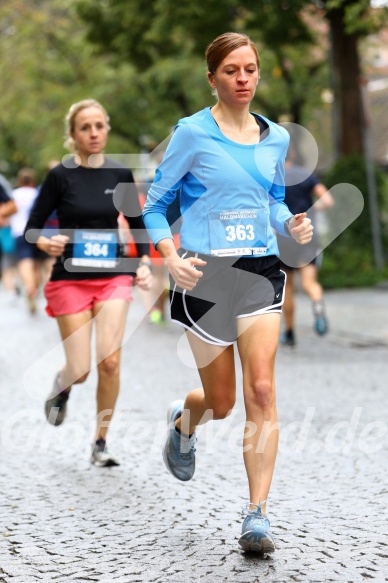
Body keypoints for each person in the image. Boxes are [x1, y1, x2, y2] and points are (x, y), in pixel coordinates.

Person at [143, 32, 313, 554]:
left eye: (251, 70)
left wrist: (292, 225)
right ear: (212, 76)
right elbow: (155, 204)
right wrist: (171, 258)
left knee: (261, 390)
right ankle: (183, 420)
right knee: (220, 401)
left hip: (261, 271)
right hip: (205, 277)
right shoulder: (191, 133)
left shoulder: (276, 138)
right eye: (232, 71)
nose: (243, 79)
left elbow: (274, 201)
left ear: (259, 74)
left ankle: (256, 514)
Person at [25, 99, 152, 466]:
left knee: (110, 363)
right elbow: (33, 226)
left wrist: (142, 261)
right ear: (73, 135)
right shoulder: (60, 176)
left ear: (106, 128)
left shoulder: (119, 173)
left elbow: (137, 222)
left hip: (113, 274)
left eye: (99, 125)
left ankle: (100, 442)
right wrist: (44, 240)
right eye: (85, 127)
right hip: (71, 279)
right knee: (79, 369)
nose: (94, 133)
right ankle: (62, 386)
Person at [277, 149, 335, 347]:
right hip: (308, 235)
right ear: (293, 155)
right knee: (310, 283)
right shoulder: (305, 175)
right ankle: (318, 308)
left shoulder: (274, 177)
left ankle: (290, 333)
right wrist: (310, 210)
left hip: (284, 237)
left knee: (288, 287)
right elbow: (327, 200)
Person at [10, 168, 42, 313]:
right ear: (33, 181)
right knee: (36, 264)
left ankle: (30, 288)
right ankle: (34, 286)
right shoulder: (37, 193)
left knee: (25, 262)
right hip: (36, 231)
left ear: (19, 181)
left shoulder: (14, 195)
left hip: (19, 232)